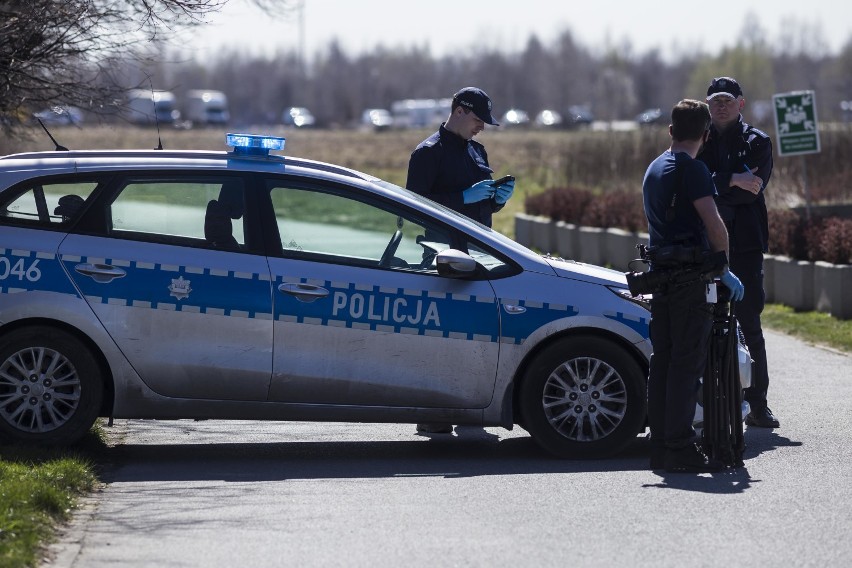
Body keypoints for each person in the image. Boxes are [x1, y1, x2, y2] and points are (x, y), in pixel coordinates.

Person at [643, 99, 745, 473]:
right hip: (689, 279)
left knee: (664, 362)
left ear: (671, 130)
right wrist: (724, 268)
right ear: (705, 134)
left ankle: (661, 445)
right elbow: (714, 223)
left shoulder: (654, 168)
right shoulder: (694, 169)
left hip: (661, 275)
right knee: (688, 364)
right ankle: (681, 447)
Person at [406, 87, 515, 435]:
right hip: (441, 259)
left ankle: (470, 405)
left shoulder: (477, 151)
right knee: (440, 336)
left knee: (476, 336)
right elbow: (415, 207)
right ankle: (434, 412)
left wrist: (497, 200)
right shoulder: (427, 154)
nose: (482, 127)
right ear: (460, 110)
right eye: (479, 119)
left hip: (479, 257)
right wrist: (462, 198)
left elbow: (480, 206)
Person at [697, 76, 779, 429]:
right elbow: (691, 184)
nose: (722, 105)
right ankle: (704, 402)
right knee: (701, 320)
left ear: (741, 103)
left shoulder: (757, 142)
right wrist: (730, 179)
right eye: (715, 100)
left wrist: (715, 185)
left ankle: (757, 403)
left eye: (728, 99)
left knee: (749, 321)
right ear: (707, 105)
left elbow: (751, 192)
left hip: (744, 244)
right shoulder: (697, 139)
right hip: (705, 244)